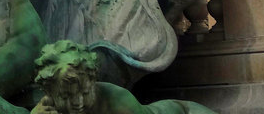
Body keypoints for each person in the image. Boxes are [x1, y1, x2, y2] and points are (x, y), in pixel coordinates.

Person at [31, 40, 216, 114]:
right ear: (49, 91)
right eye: (66, 96)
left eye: (86, 92)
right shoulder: (47, 107)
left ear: (93, 82)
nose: (78, 101)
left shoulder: (118, 101)